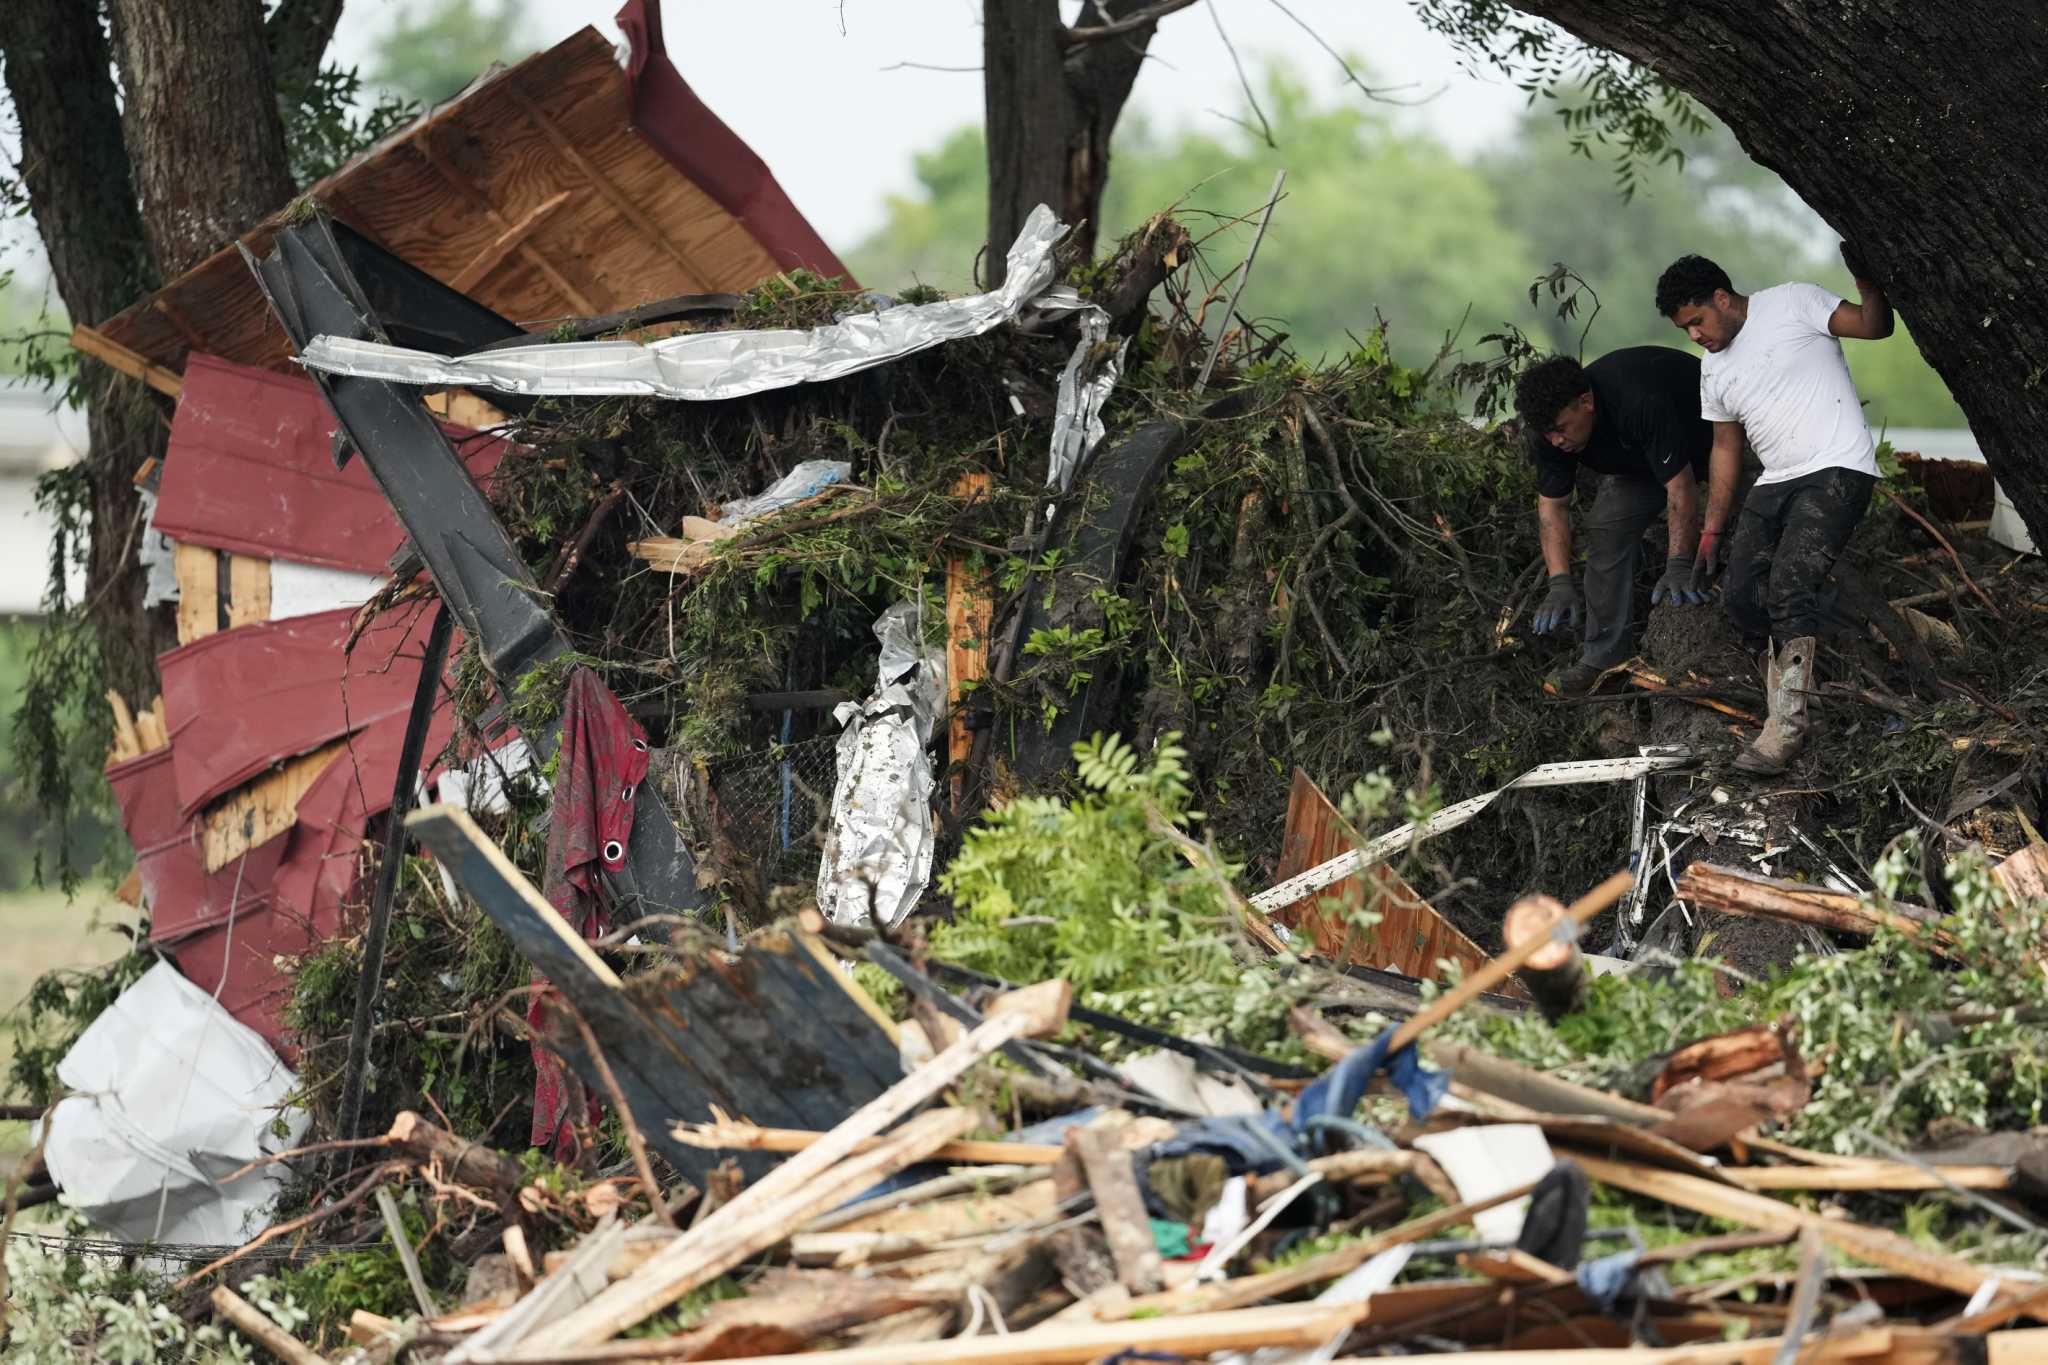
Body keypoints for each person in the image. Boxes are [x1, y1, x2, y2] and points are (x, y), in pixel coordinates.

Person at [1655, 247, 1894, 775]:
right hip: (1775, 480)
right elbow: (1724, 449)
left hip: (1835, 467)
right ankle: (1880, 632)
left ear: (1722, 298)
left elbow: (1874, 327)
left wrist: (1868, 282)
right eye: (1684, 329)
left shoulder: (1792, 303)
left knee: (1789, 588)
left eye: (1697, 321)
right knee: (1742, 599)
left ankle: (1785, 728)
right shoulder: (1713, 370)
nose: (1694, 336)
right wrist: (1713, 530)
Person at [1515, 347, 1715, 694]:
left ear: (1586, 402)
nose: (1556, 441)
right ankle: (1604, 659)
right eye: (1548, 434)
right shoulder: (1549, 433)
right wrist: (1559, 582)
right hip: (1642, 463)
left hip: (1714, 438)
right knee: (1606, 528)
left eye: (1561, 429)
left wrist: (1679, 563)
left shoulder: (1636, 397)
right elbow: (1552, 508)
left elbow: (1681, 486)